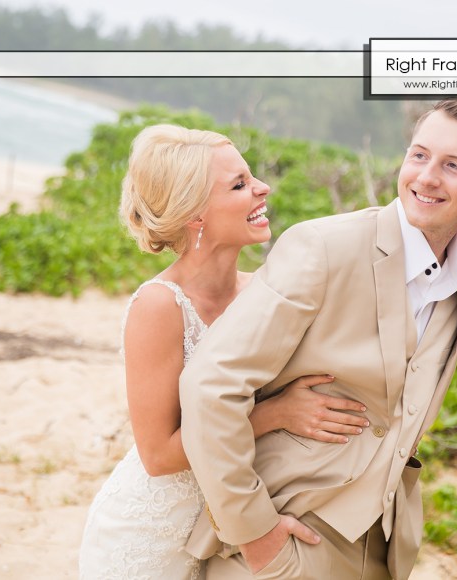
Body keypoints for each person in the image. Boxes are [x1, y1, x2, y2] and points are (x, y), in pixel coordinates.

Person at [179, 98, 457, 579]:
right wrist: (254, 534)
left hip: (382, 546)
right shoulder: (324, 247)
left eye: (453, 166)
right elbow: (209, 386)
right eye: (419, 155)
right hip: (288, 532)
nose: (427, 177)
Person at [78, 124, 369, 580]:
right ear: (196, 214)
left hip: (226, 531)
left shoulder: (264, 293)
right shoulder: (159, 306)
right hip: (150, 536)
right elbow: (156, 455)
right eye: (239, 185)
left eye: (251, 177)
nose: (262, 188)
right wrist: (277, 414)